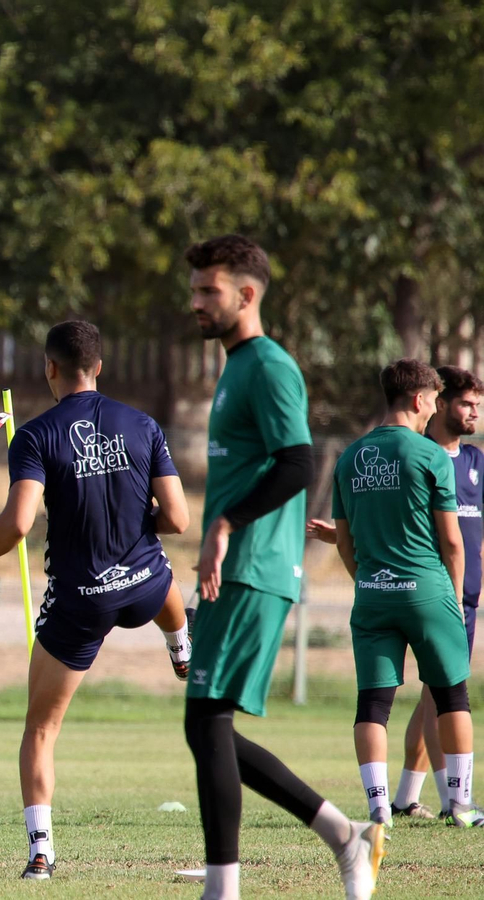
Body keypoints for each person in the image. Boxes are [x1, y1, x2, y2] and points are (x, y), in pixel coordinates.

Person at [183, 234, 379, 900]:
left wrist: (226, 524)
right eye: (195, 290)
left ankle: (225, 888)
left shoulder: (267, 366)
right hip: (232, 567)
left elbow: (298, 463)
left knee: (206, 720)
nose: (196, 302)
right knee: (205, 722)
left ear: (247, 294)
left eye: (208, 290)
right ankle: (341, 835)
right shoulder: (234, 366)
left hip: (254, 565)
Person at [0, 320, 192, 880]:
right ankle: (181, 643)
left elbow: (19, 523)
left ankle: (41, 852)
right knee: (163, 582)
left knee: (40, 729)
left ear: (50, 369)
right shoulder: (142, 424)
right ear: (100, 366)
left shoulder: (36, 435)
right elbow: (181, 520)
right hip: (144, 585)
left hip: (82, 601)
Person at [308, 364, 483, 821]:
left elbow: (345, 543)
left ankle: (379, 808)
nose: (433, 409)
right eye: (431, 399)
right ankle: (461, 803)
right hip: (429, 592)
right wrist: (455, 591)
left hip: (372, 593)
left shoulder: (350, 458)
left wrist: (366, 581)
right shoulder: (428, 455)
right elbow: (451, 541)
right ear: (417, 400)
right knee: (451, 697)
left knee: (373, 703)